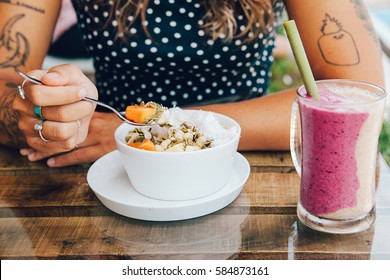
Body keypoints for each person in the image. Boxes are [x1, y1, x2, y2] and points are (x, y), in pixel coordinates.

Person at [0, 0, 384, 167]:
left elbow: (358, 95)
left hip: (252, 156)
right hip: (106, 155)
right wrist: (43, 110)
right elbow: (5, 83)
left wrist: (159, 129)